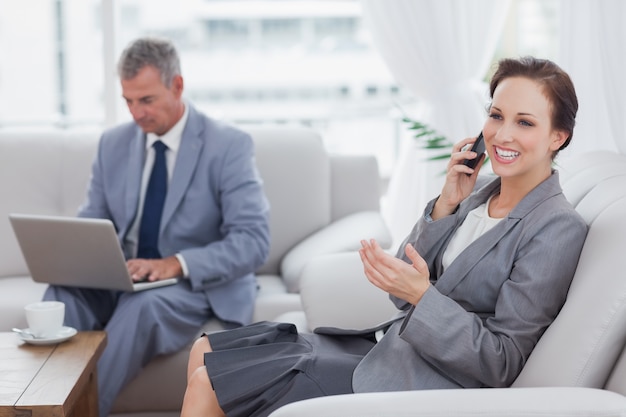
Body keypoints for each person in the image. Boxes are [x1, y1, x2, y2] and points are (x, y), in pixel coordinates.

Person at [179, 56, 588, 417]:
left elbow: (501, 360)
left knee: (207, 382)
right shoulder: (477, 194)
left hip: (421, 381)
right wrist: (446, 204)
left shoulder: (555, 227)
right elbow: (399, 295)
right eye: (496, 116)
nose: (502, 135)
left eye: (525, 123)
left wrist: (422, 297)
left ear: (558, 137)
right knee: (206, 350)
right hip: (383, 347)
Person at [42, 37, 271, 417]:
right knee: (62, 292)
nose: (135, 114)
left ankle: (78, 412)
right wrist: (83, 257)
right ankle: (39, 403)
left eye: (146, 100)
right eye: (128, 101)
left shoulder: (228, 146)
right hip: (128, 274)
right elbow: (94, 219)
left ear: (177, 86)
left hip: (192, 283)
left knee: (142, 305)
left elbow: (253, 241)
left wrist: (175, 263)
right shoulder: (113, 144)